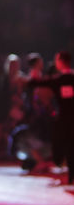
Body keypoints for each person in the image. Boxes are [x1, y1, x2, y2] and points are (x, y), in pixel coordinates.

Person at [29, 51, 74, 185]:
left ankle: (66, 169)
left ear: (60, 62)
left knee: (62, 143)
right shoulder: (62, 79)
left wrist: (34, 77)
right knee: (70, 146)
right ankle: (69, 172)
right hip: (68, 119)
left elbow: (36, 83)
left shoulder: (58, 80)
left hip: (64, 119)